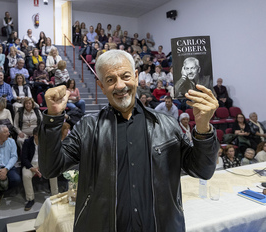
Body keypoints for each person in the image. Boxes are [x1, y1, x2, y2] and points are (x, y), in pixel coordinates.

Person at [39, 50, 219, 231]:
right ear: (101, 86)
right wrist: (53, 118)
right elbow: (50, 168)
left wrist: (203, 128)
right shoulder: (87, 128)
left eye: (125, 76)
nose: (119, 86)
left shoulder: (166, 124)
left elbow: (202, 170)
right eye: (110, 80)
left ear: (135, 76)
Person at [21, 127, 58, 211]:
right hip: (31, 164)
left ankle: (55, 195)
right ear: (35, 136)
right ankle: (30, 199)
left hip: (43, 164)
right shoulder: (27, 142)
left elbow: (49, 156)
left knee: (53, 172)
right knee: (26, 175)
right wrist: (32, 168)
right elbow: (24, 158)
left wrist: (41, 167)